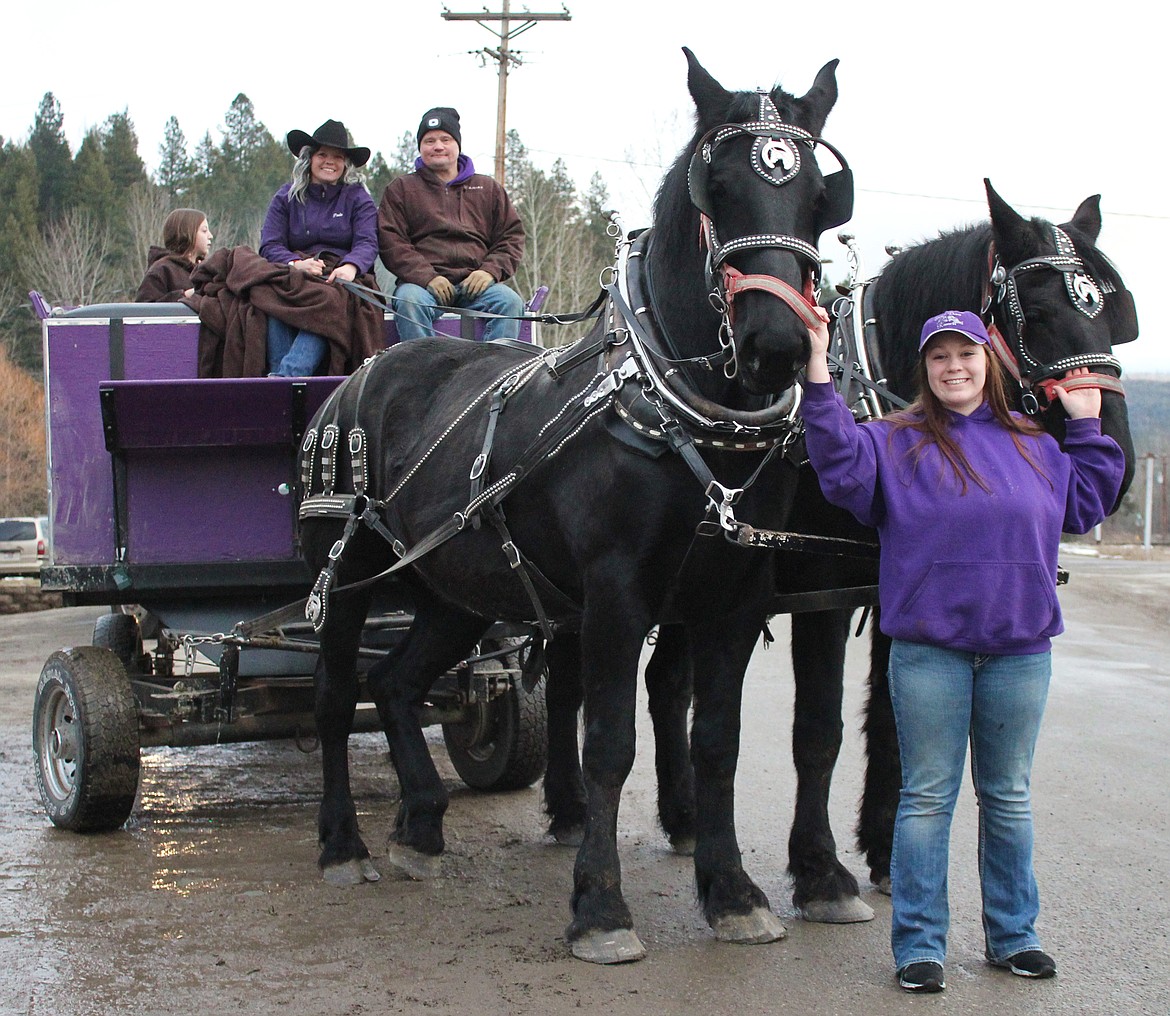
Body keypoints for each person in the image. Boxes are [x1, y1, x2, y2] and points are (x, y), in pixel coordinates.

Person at [800, 307, 1125, 994]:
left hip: (1020, 653)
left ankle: (1014, 937)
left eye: (966, 354)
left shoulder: (1035, 444)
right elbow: (836, 466)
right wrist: (819, 372)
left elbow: (1089, 499)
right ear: (925, 369)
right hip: (930, 655)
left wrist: (1089, 423)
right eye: (940, 356)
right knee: (926, 799)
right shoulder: (893, 443)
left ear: (989, 363)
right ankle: (920, 946)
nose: (954, 366)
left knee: (1007, 798)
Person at [377, 106, 525, 342]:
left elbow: (511, 238)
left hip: (476, 285)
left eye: (445, 139)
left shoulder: (488, 189)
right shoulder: (401, 189)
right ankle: (424, 375)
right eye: (429, 140)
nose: (438, 146)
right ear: (420, 147)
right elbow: (392, 242)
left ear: (457, 145)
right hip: (422, 288)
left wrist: (489, 272)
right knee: (408, 301)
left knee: (510, 302)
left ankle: (493, 375)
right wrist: (427, 277)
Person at [259, 119, 378, 376]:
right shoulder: (286, 197)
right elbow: (270, 243)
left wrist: (351, 266)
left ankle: (289, 375)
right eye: (322, 154)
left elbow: (368, 241)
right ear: (310, 158)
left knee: (328, 298)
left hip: (339, 277)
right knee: (272, 296)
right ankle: (279, 375)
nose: (329, 161)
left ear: (345, 163)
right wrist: (295, 263)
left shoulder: (358, 198)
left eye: (337, 156)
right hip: (295, 272)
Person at [136, 209, 212, 302]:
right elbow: (143, 311)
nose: (210, 236)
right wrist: (184, 296)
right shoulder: (161, 270)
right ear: (186, 233)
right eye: (204, 231)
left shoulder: (207, 271)